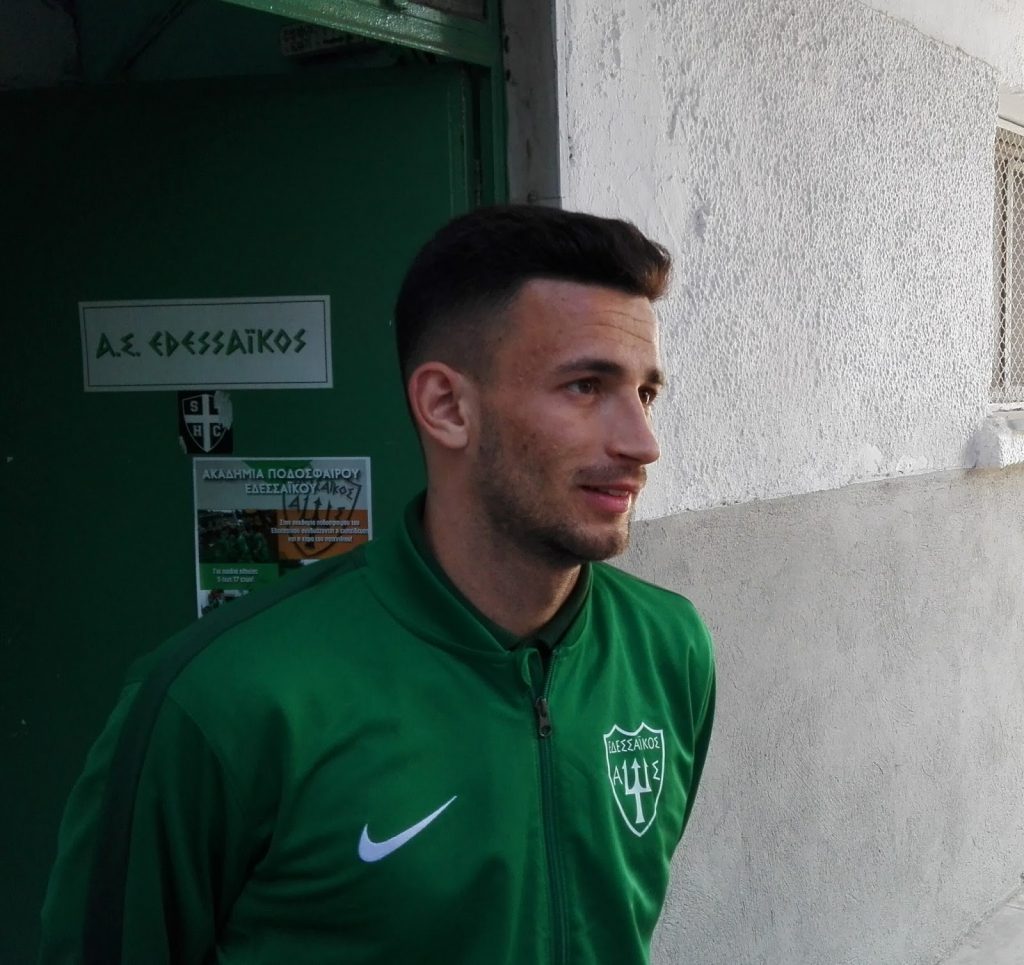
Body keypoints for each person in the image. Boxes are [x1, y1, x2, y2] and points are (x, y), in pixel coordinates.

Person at [39, 205, 716, 965]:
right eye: (586, 386)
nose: (642, 443)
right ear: (446, 406)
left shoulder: (668, 649)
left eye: (646, 393)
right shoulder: (221, 699)